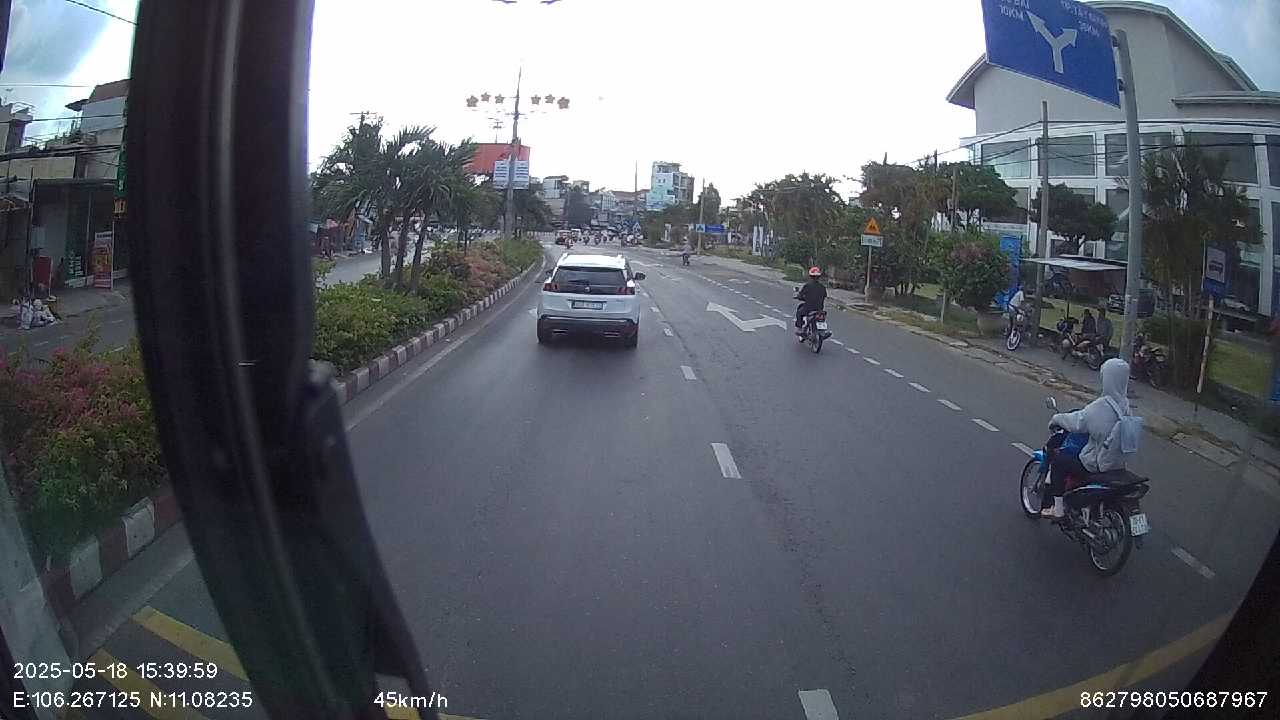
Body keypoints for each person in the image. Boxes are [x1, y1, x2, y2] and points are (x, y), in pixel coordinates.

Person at [1041, 358, 1137, 518]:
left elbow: (1077, 422)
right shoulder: (1125, 406)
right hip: (1118, 464)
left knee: (1058, 462)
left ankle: (1057, 509)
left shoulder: (1101, 406)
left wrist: (1056, 419)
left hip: (1095, 464)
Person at [795, 266, 827, 335]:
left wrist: (799, 297)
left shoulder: (807, 286)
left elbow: (800, 295)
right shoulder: (823, 287)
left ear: (810, 276)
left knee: (799, 313)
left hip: (808, 308)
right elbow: (825, 296)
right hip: (819, 309)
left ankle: (799, 328)